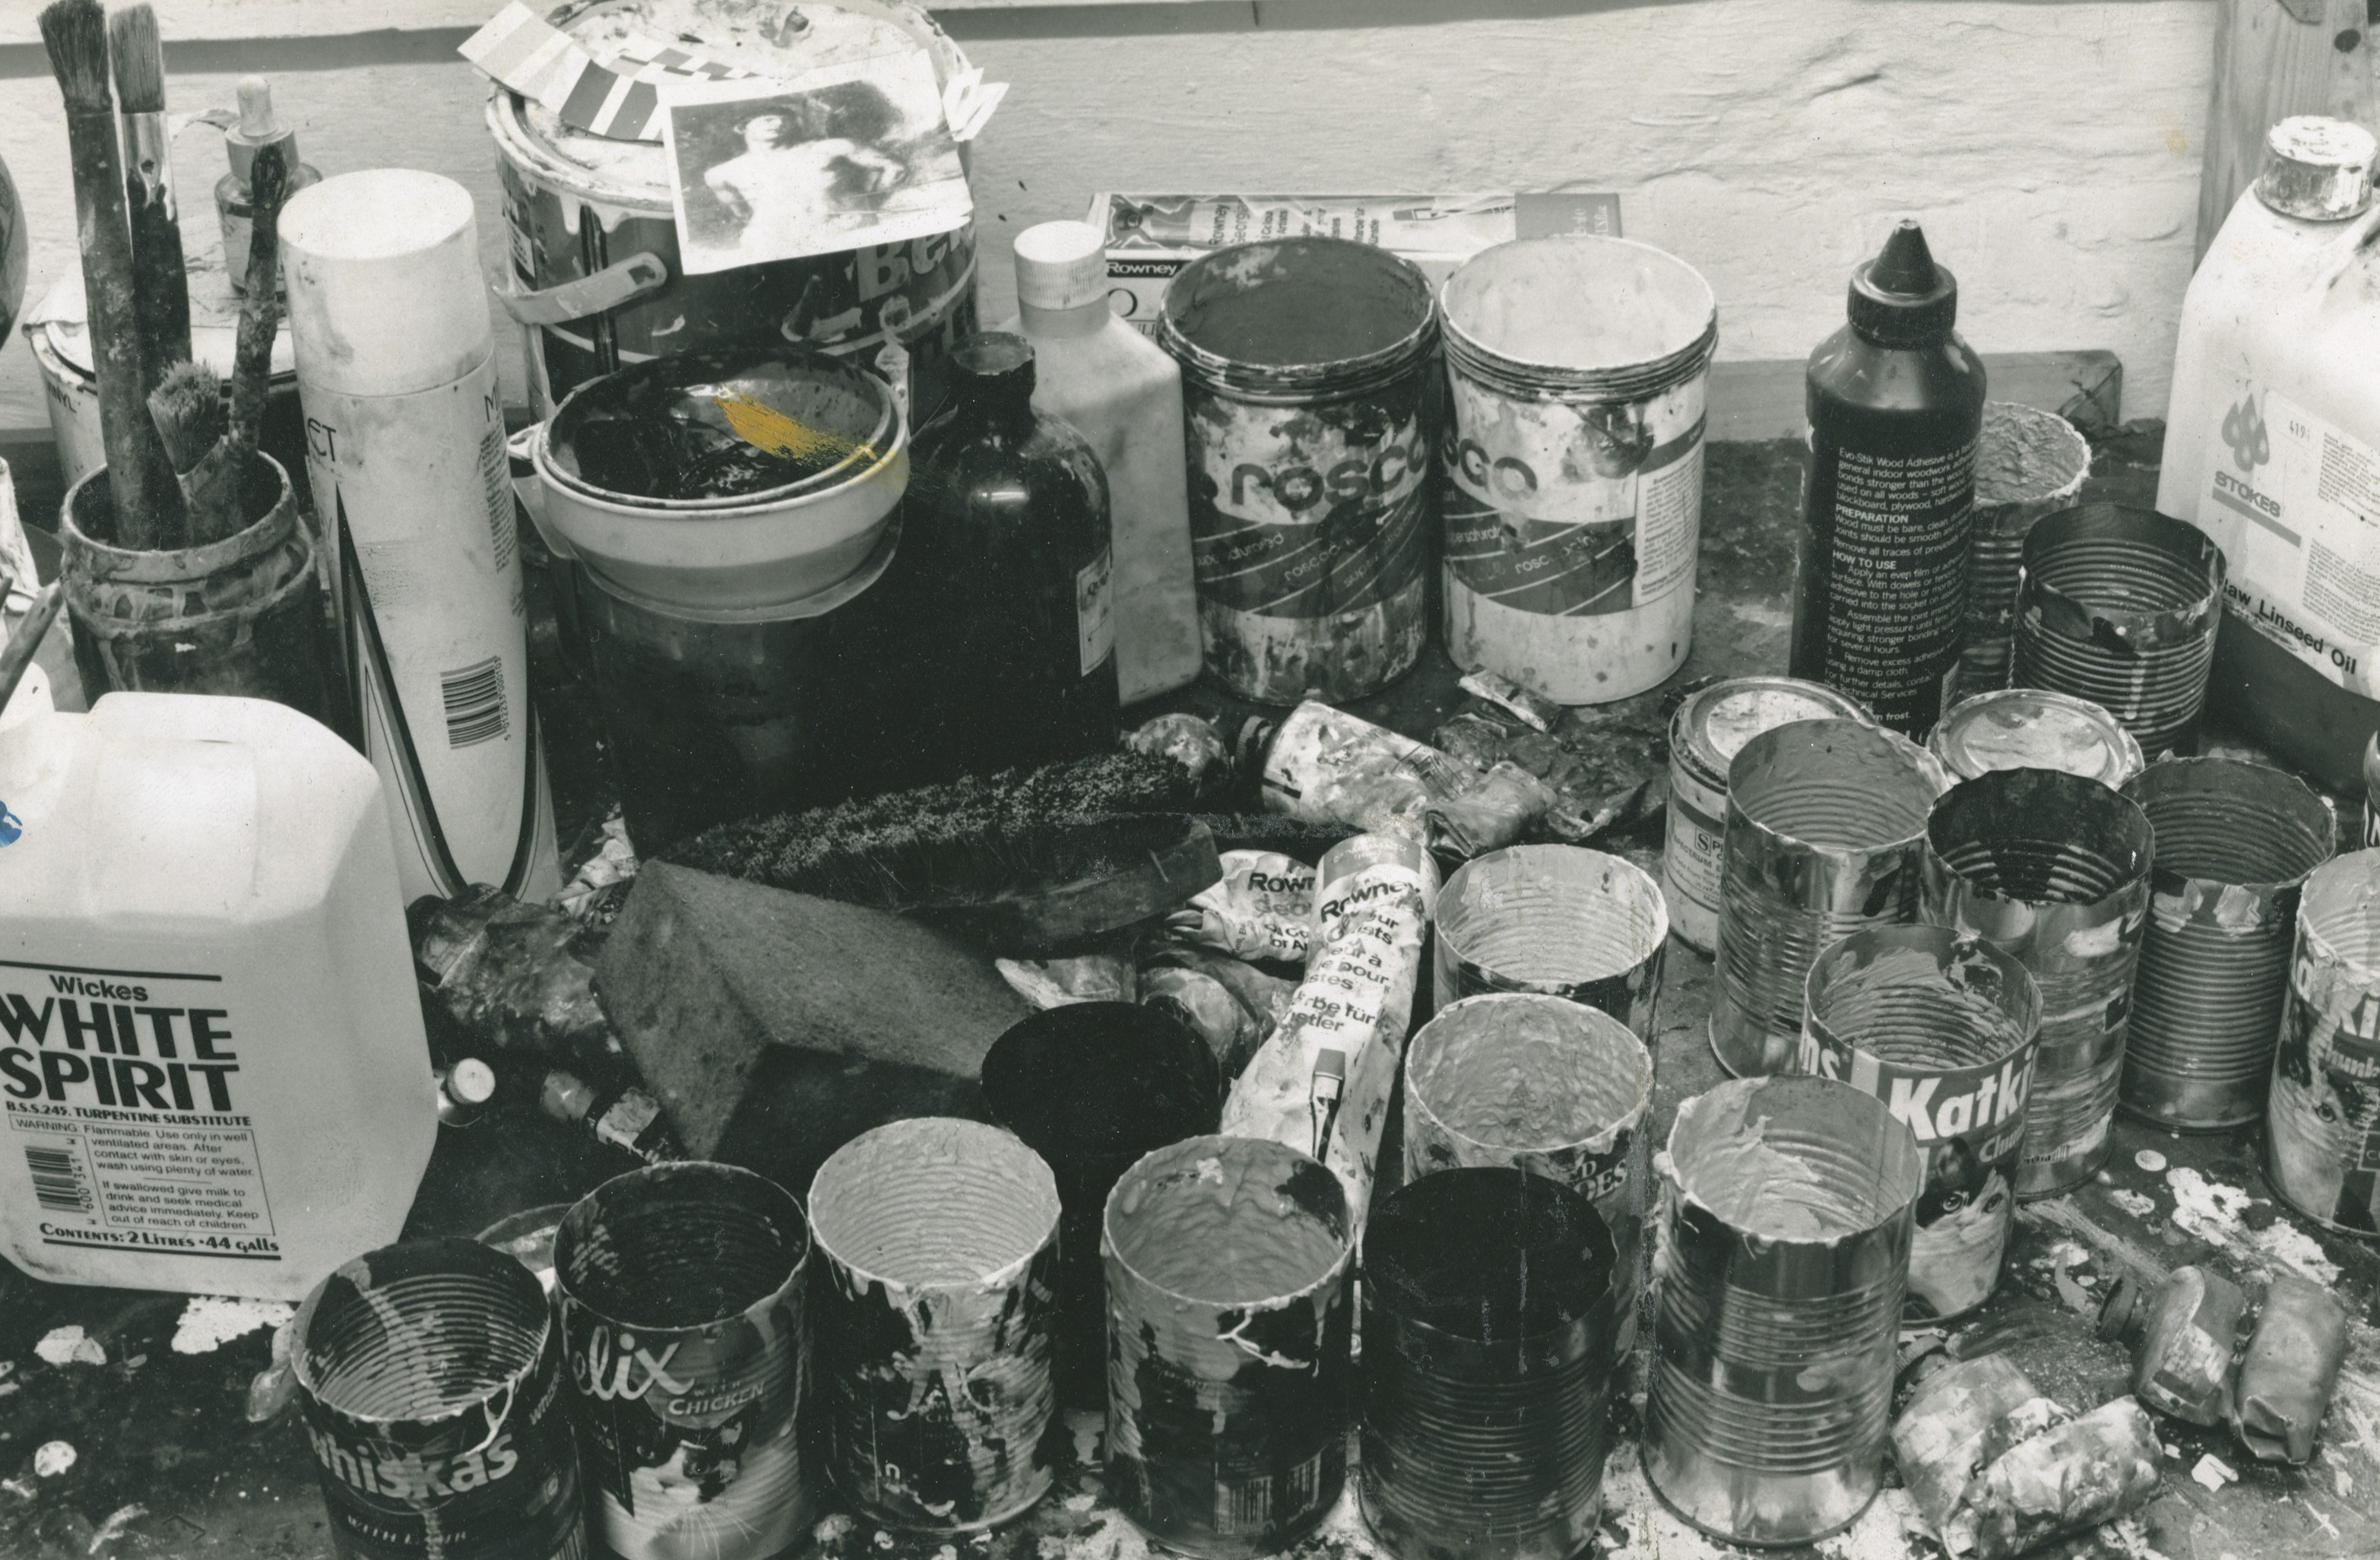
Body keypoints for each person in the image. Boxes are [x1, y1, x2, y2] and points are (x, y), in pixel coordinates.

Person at [704, 94, 908, 257]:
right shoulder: (721, 174)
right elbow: (741, 213)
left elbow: (895, 168)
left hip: (844, 234)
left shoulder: (830, 148)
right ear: (742, 127)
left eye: (784, 119)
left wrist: (873, 203)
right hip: (776, 246)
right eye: (768, 119)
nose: (777, 123)